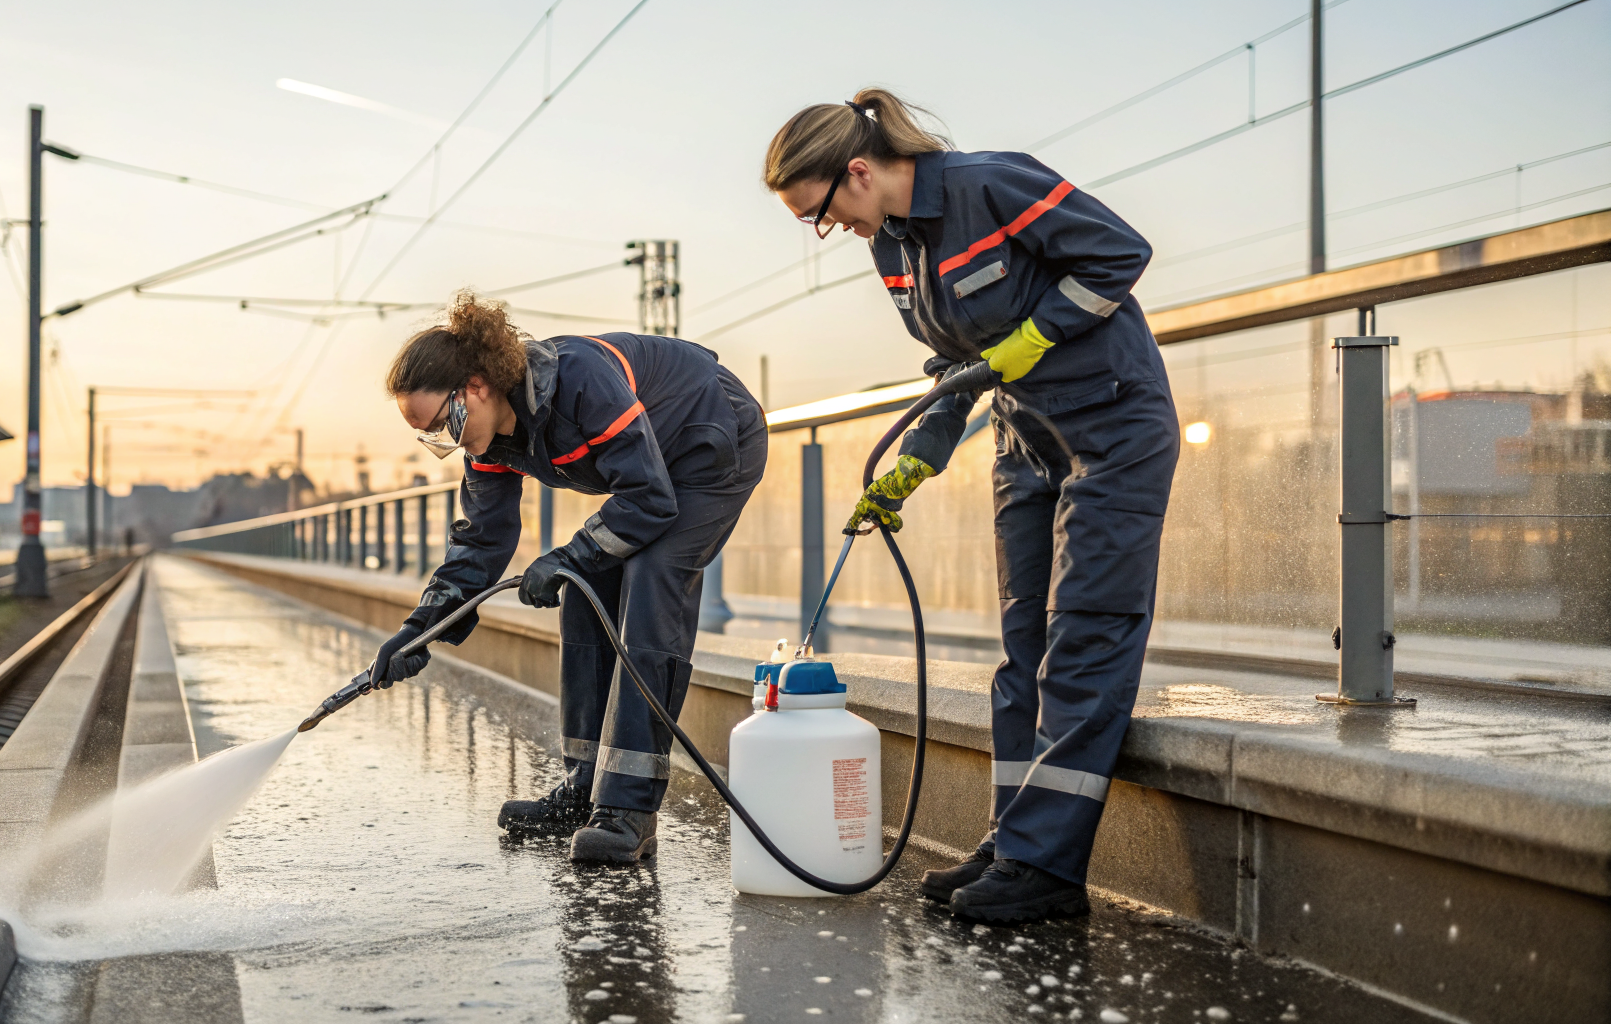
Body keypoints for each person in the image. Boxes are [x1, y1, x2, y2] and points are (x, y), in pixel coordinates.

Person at [763, 90, 1180, 923]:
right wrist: (917, 458)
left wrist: (1038, 333)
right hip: (1025, 442)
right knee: (1022, 651)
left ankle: (1047, 868)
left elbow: (1121, 253)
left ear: (857, 171)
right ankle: (1012, 842)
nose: (829, 228)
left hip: (1113, 428)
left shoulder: (991, 185)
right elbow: (956, 365)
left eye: (821, 213)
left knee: (1084, 638)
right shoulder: (892, 246)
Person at [371, 292, 767, 864]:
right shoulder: (489, 444)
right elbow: (481, 542)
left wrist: (569, 556)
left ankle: (629, 813)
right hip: (652, 471)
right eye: (433, 437)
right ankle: (584, 791)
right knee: (584, 588)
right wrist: (419, 630)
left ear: (476, 386)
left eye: (446, 423)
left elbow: (650, 499)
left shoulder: (579, 381)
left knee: (652, 583)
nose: (451, 440)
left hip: (713, 438)